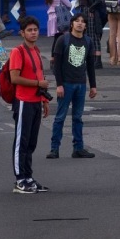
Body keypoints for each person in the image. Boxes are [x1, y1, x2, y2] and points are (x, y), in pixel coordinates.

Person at [9, 16, 51, 194]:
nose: (33, 33)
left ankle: (28, 177)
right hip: (24, 100)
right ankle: (20, 179)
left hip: (35, 101)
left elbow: (40, 77)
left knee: (31, 142)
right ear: (22, 33)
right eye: (29, 30)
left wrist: (44, 100)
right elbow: (15, 78)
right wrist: (37, 85)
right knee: (21, 141)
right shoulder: (17, 52)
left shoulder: (36, 51)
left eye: (35, 30)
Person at [48, 13, 98, 160]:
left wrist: (93, 86)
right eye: (77, 21)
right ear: (71, 24)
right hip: (66, 84)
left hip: (81, 85)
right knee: (60, 117)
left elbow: (90, 65)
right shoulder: (63, 40)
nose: (80, 24)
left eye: (83, 22)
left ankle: (78, 148)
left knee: (78, 117)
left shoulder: (88, 41)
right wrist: (59, 85)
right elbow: (56, 65)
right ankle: (54, 149)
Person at [77, 0, 106, 68]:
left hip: (91, 13)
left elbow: (98, 0)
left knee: (93, 36)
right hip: (86, 12)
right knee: (88, 35)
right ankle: (93, 58)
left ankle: (97, 60)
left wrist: (91, 9)